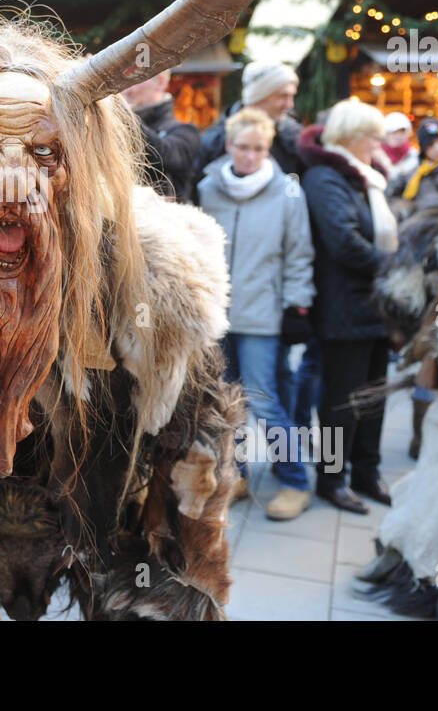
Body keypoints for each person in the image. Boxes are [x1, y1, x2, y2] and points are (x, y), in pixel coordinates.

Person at [197, 107, 315, 520]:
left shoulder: (287, 191)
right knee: (224, 404)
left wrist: (297, 306)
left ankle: (295, 481)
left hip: (263, 316)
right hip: (216, 316)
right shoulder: (208, 188)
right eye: (243, 147)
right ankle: (237, 475)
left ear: (269, 149)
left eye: (259, 149)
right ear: (229, 145)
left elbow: (299, 254)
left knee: (264, 402)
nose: (250, 156)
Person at [299, 98, 398, 515]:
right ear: (353, 138)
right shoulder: (326, 177)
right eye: (373, 137)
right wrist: (395, 267)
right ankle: (332, 479)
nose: (379, 144)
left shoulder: (365, 177)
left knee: (377, 395)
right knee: (344, 401)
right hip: (344, 307)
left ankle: (367, 473)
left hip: (375, 306)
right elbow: (343, 241)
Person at [196, 61, 304, 179]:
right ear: (260, 95)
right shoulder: (215, 142)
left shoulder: (294, 136)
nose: (290, 105)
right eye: (283, 96)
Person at [120, 69, 201, 203]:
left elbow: (165, 155)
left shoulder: (186, 132)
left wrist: (119, 111)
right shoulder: (115, 124)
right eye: (120, 80)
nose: (126, 89)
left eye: (134, 79)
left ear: (161, 82)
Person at [389, 117, 438, 214]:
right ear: (424, 150)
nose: (437, 149)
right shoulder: (416, 172)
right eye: (431, 145)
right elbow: (393, 196)